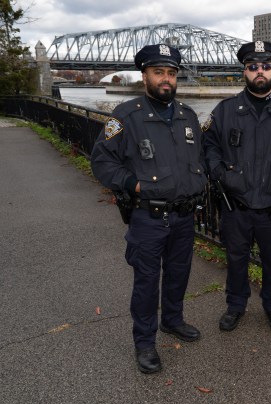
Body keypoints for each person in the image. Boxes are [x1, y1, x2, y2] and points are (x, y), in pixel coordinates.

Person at [91, 44, 207, 374]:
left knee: (178, 275)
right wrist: (134, 185)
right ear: (145, 76)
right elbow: (102, 161)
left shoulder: (188, 116)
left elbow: (197, 160)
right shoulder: (126, 116)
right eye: (159, 72)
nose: (166, 79)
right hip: (148, 217)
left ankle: (172, 320)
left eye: (171, 73)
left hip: (184, 216)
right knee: (146, 282)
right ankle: (144, 343)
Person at [202, 41, 271, 332]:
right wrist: (221, 174)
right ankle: (236, 305)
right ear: (244, 71)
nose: (259, 72)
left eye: (266, 66)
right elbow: (209, 146)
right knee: (236, 260)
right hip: (236, 204)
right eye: (252, 67)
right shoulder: (225, 111)